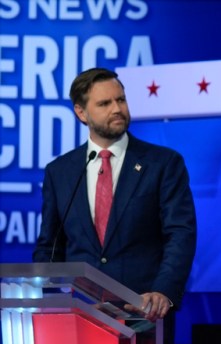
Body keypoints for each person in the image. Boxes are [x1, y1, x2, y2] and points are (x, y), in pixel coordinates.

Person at [33, 67, 197, 324]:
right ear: (81, 112)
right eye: (104, 103)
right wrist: (45, 296)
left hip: (143, 314)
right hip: (79, 314)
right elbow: (50, 245)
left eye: (120, 100)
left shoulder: (163, 163)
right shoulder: (60, 171)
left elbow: (180, 234)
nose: (117, 109)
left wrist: (163, 291)